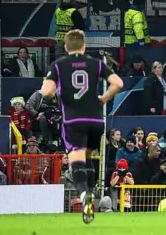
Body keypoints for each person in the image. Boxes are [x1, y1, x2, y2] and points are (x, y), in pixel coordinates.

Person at [40, 30, 124, 223]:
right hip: (95, 121)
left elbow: (45, 91)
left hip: (73, 120)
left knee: (76, 160)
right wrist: (104, 98)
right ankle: (92, 192)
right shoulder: (96, 64)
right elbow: (118, 82)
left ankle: (85, 194)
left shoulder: (58, 65)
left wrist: (54, 94)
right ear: (84, 46)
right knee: (88, 156)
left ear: (66, 47)